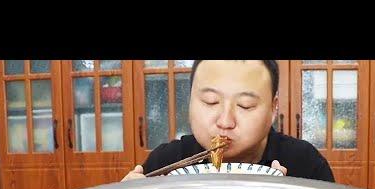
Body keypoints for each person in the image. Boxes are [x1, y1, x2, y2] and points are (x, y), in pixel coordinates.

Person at [122, 60, 335, 182]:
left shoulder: (306, 166)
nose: (225, 121)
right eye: (210, 101)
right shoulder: (165, 163)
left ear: (273, 108)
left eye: (245, 105)